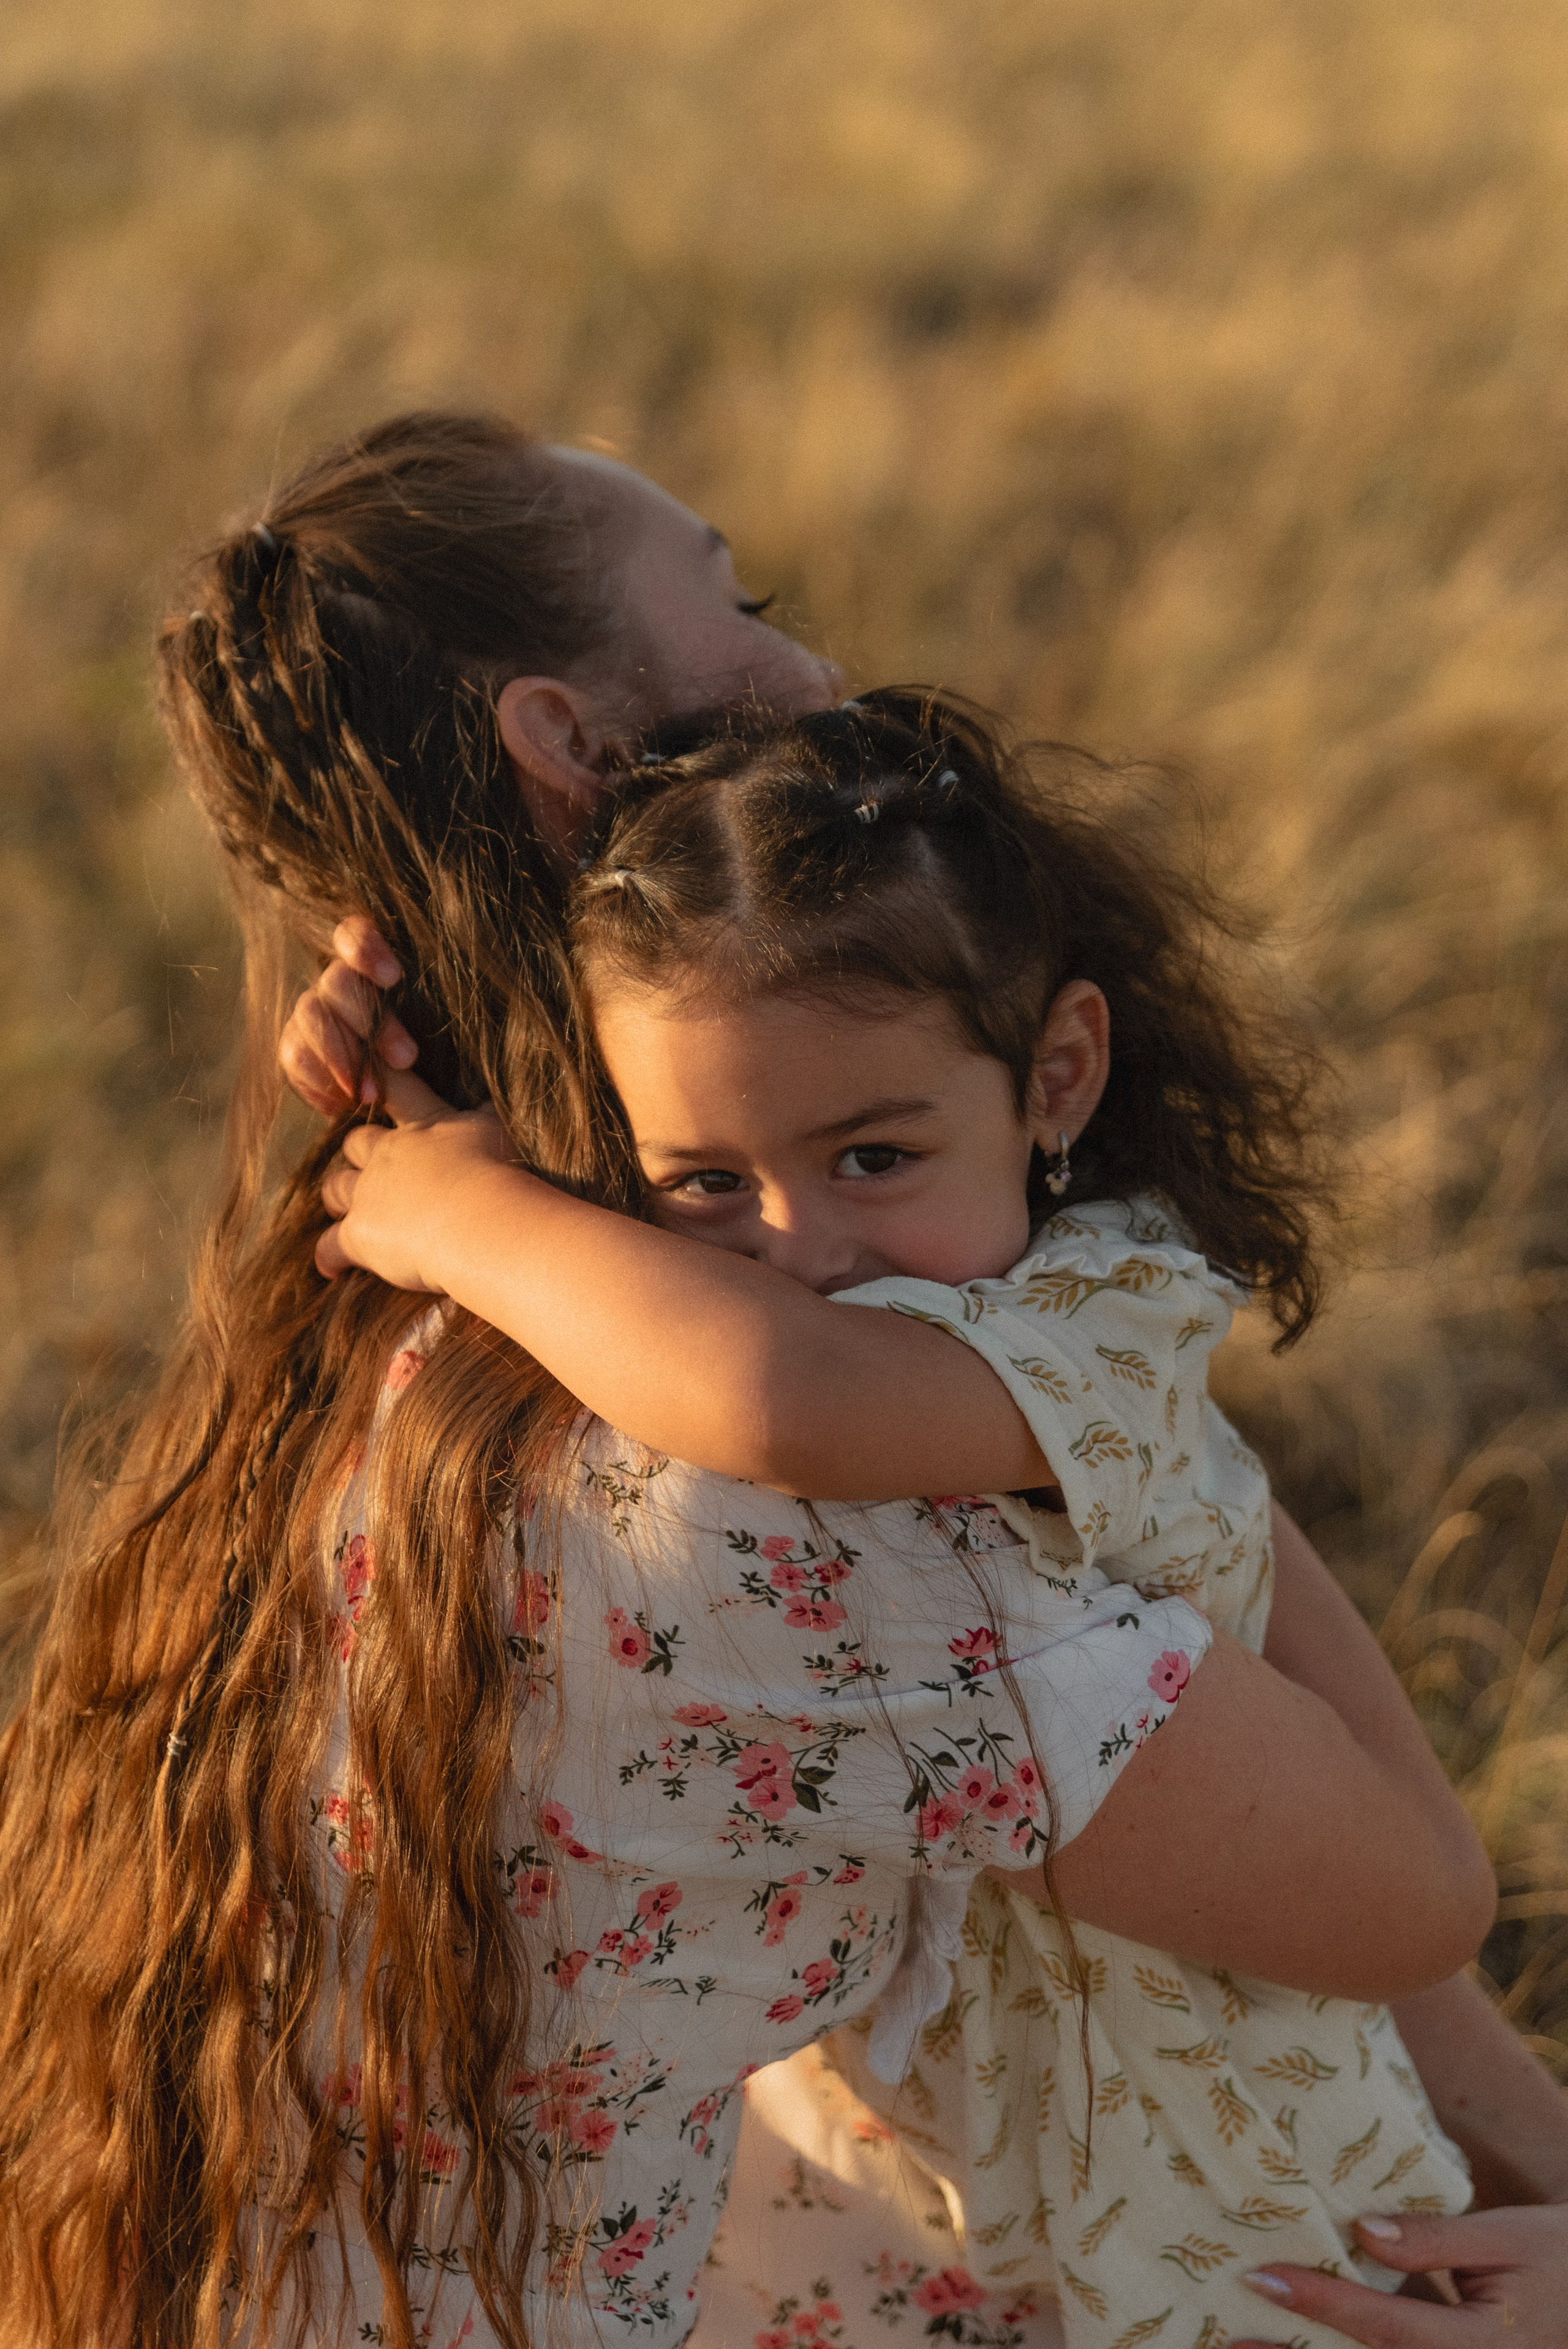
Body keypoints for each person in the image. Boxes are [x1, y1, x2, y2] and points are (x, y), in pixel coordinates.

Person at [0, 412, 1542, 2349]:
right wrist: (1109, 1412)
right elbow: (1405, 1889)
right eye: (741, 601)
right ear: (568, 739)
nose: (811, 669)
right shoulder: (785, 1503)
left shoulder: (384, 1256)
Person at [312, 687, 1481, 2345]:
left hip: (1217, 2181)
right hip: (947, 2169)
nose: (802, 1245)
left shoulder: (1097, 1313)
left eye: (872, 1155)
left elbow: (781, 1394)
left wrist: (463, 1212)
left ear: (1056, 1075)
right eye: (704, 1183)